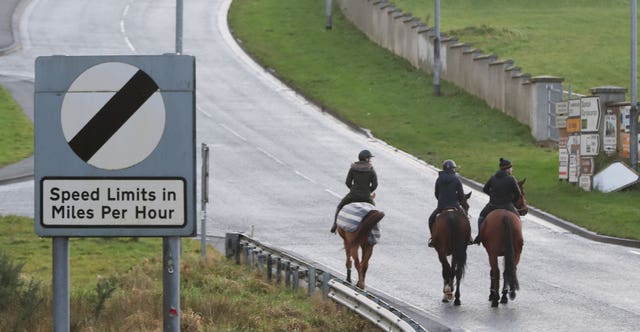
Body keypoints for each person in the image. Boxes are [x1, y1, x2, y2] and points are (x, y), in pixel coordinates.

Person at [472, 157, 522, 244]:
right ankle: (519, 238)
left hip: (492, 205)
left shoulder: (493, 178)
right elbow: (518, 194)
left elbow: (485, 189)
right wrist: (511, 200)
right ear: (507, 169)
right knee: (517, 218)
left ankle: (480, 236)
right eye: (511, 168)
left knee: (481, 217)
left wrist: (492, 196)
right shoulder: (511, 179)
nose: (512, 169)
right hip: (507, 205)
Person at [330, 150, 378, 233]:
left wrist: (353, 190)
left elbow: (348, 182)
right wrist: (368, 191)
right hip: (366, 196)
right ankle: (374, 231)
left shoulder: (353, 168)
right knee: (374, 210)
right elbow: (375, 184)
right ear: (366, 159)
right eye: (369, 158)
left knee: (340, 206)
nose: (370, 160)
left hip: (353, 195)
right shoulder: (371, 170)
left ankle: (334, 225)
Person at [427, 159, 467, 247]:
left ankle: (433, 239)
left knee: (431, 220)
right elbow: (461, 195)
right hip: (454, 205)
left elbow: (436, 193)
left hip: (442, 206)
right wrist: (459, 202)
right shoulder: (456, 179)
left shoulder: (439, 179)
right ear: (453, 169)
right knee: (465, 219)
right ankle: (469, 238)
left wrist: (441, 200)